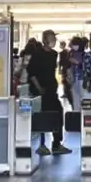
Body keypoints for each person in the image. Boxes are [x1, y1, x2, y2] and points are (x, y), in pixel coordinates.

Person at [27, 28, 69, 156]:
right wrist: (39, 88)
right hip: (40, 91)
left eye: (54, 39)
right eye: (52, 39)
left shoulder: (54, 54)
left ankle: (56, 143)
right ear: (45, 40)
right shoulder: (37, 54)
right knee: (42, 117)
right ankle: (42, 144)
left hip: (51, 90)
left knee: (58, 113)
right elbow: (32, 73)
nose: (54, 41)